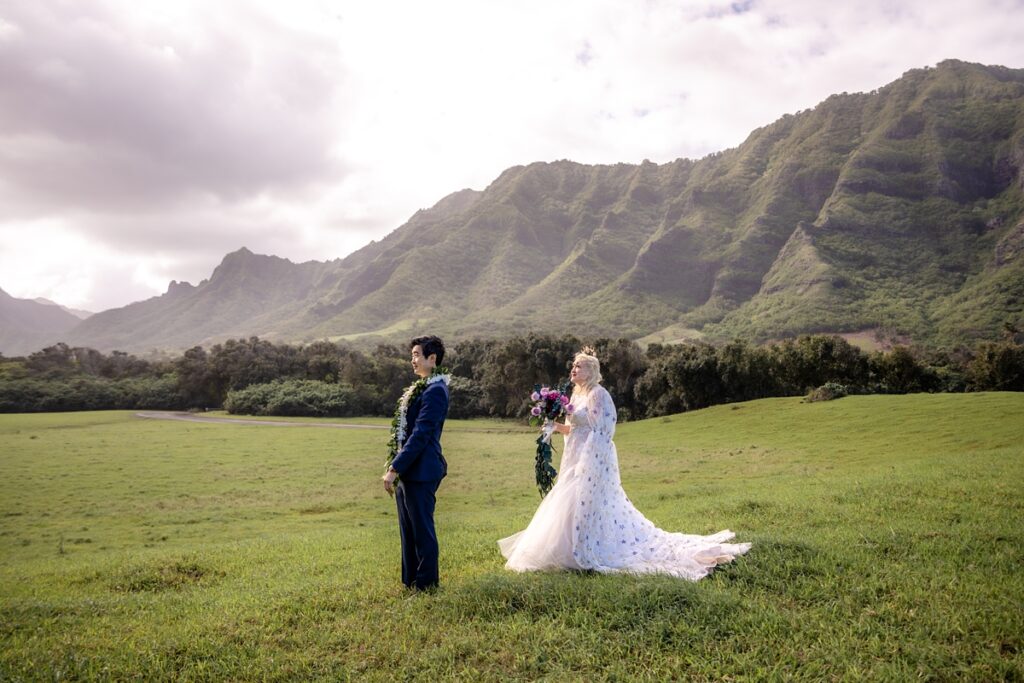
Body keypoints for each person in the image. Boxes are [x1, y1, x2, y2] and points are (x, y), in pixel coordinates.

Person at [498, 348, 750, 580]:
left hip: (591, 458)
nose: (573, 369)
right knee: (569, 500)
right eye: (573, 365)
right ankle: (565, 550)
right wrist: (553, 426)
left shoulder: (598, 394)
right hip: (574, 456)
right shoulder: (575, 395)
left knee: (584, 500)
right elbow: (572, 429)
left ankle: (585, 548)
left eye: (579, 366)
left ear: (592, 371)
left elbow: (603, 431)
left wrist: (589, 461)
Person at [383, 336, 450, 590]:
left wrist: (394, 468)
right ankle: (410, 581)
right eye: (412, 355)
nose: (412, 360)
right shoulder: (423, 387)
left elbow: (421, 434)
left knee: (422, 531)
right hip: (410, 469)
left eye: (416, 355)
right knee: (408, 529)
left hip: (422, 470)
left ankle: (427, 585)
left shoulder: (436, 391)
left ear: (432, 359)